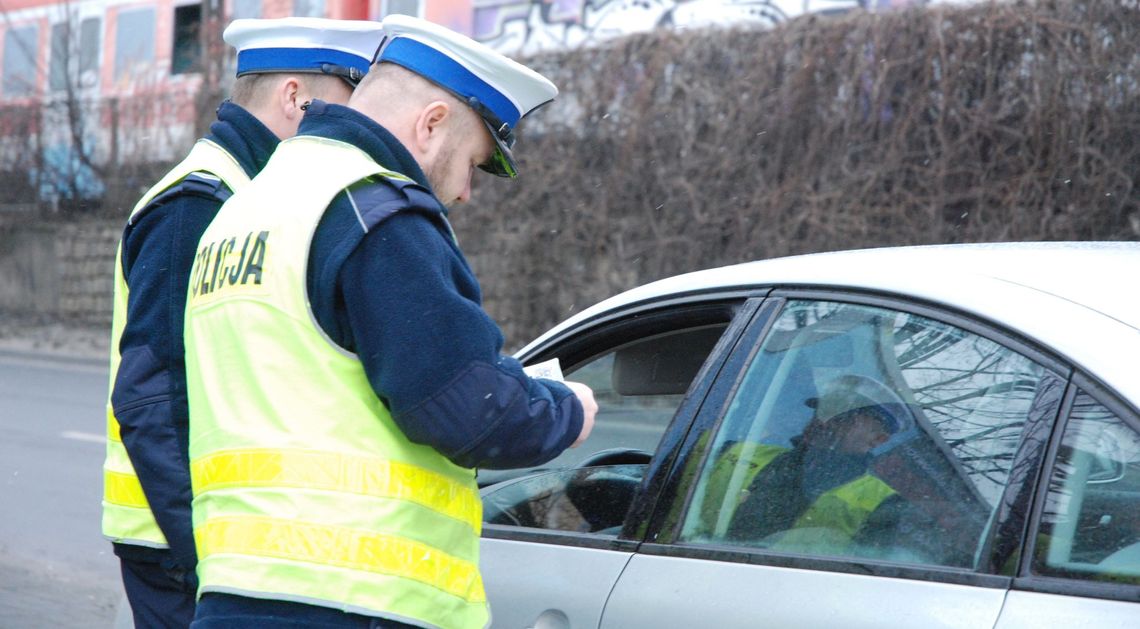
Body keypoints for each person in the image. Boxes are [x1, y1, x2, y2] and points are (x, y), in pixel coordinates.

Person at [182, 15, 597, 629]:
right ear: (431, 125)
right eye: (472, 162)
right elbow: (464, 409)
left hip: (234, 592)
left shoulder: (245, 210)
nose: (463, 192)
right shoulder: (376, 213)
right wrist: (566, 410)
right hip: (356, 600)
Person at [101, 17, 385, 629]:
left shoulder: (254, 194)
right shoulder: (199, 203)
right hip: (185, 547)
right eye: (343, 107)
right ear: (293, 98)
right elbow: (152, 398)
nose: (352, 130)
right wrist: (208, 556)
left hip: (218, 543)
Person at [699, 375, 911, 552]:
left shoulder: (883, 504)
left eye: (843, 418)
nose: (823, 420)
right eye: (822, 409)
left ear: (878, 440)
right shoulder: (732, 452)